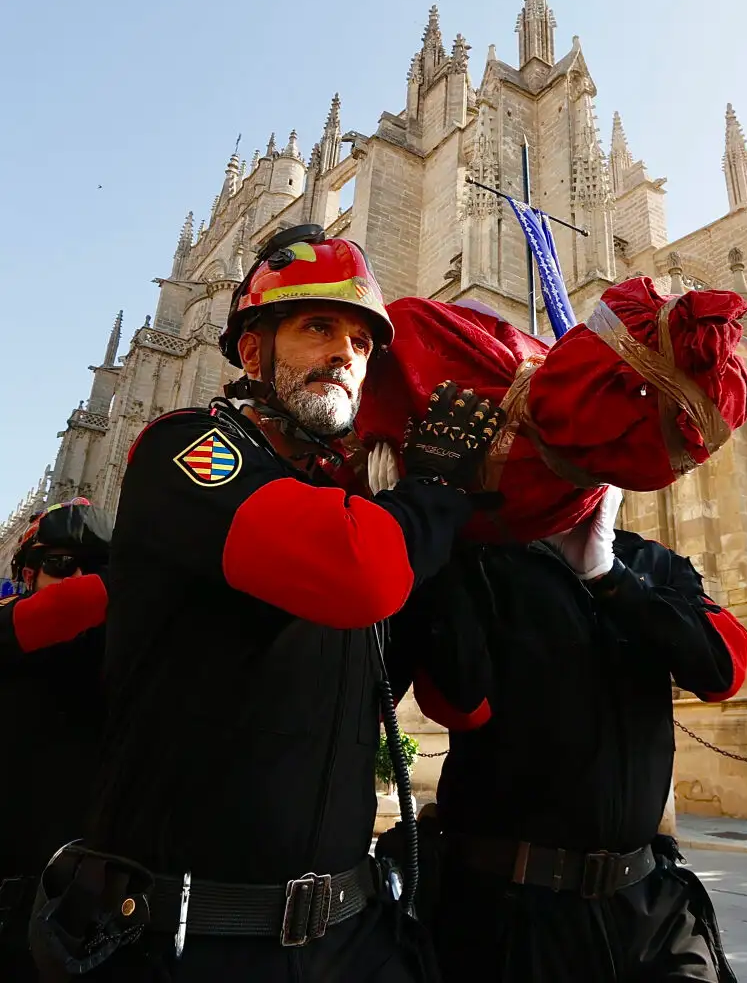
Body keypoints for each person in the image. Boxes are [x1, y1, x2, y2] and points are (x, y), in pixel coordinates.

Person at [31, 224, 504, 982]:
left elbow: (467, 699)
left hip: (352, 943)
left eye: (360, 339)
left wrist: (456, 536)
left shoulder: (362, 510)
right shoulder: (186, 452)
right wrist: (434, 494)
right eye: (318, 326)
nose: (345, 353)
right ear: (253, 351)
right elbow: (356, 574)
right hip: (189, 945)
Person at [380, 476, 747, 982]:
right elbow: (461, 704)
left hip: (648, 904)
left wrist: (609, 577)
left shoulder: (650, 563)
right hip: (513, 912)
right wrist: (433, 539)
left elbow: (721, 671)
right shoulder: (480, 563)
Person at [0, 498, 111, 982]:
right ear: (26, 575)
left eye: (90, 567)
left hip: (80, 918)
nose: (75, 577)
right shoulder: (13, 630)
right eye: (59, 565)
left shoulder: (114, 654)